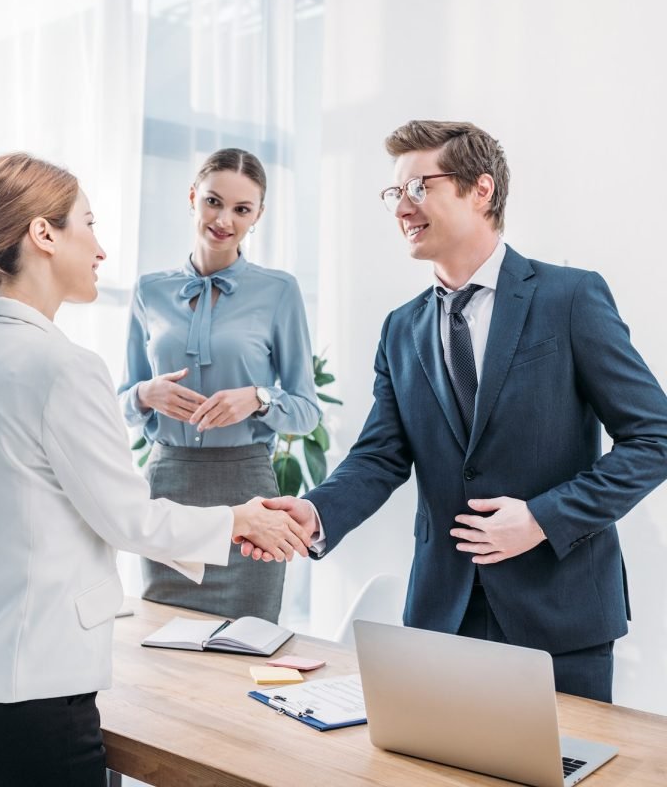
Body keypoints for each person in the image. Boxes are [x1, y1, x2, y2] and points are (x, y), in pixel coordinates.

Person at [0, 152, 310, 787]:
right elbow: (129, 518)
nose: (101, 249)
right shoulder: (64, 366)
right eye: (89, 223)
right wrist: (240, 519)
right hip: (32, 695)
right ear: (45, 235)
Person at [249, 120, 667, 702]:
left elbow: (654, 439)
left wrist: (543, 518)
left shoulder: (570, 298)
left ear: (481, 189)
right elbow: (379, 456)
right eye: (394, 193)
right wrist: (315, 513)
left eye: (419, 187)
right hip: (442, 614)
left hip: (560, 614)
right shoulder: (402, 327)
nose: (402, 208)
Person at [118, 148, 320, 622]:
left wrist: (258, 398)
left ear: (258, 215)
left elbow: (306, 409)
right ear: (192, 197)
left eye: (242, 209)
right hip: (168, 489)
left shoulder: (279, 291)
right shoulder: (149, 290)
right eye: (213, 201)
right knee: (163, 647)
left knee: (246, 649)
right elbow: (120, 404)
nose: (224, 219)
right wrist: (146, 395)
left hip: (247, 487)